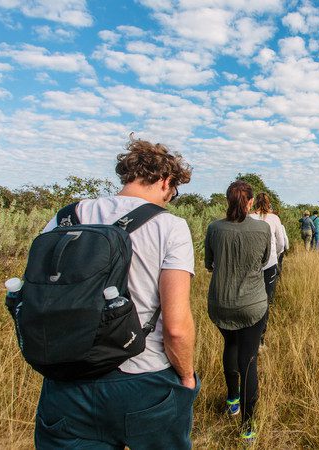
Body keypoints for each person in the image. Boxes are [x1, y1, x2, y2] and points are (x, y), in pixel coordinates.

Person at [35, 137, 199, 449]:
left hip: (67, 380)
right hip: (143, 378)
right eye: (173, 193)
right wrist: (187, 377)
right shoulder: (170, 226)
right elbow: (176, 327)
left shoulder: (65, 217)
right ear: (166, 181)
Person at [205, 181, 271, 443]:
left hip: (221, 301)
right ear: (251, 202)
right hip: (253, 303)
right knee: (249, 360)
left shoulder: (214, 228)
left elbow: (209, 263)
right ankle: (247, 427)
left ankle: (232, 400)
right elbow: (265, 261)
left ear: (227, 201)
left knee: (230, 346)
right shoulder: (263, 228)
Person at [249, 193, 285, 305]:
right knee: (269, 293)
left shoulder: (249, 217)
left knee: (252, 294)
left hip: (251, 261)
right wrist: (276, 254)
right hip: (270, 261)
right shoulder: (274, 218)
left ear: (255, 202)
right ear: (268, 203)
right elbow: (281, 243)